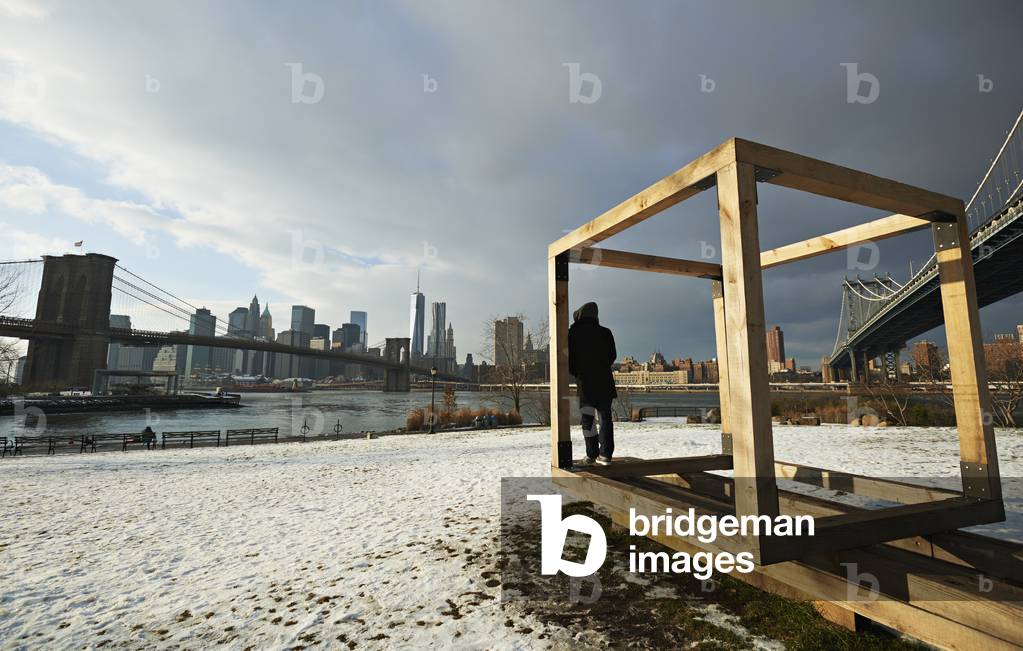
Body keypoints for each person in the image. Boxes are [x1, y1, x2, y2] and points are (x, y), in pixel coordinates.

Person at [568, 301, 617, 466]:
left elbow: (570, 360)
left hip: (585, 383)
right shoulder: (606, 332)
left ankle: (591, 454)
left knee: (587, 419)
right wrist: (602, 367)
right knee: (605, 417)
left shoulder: (573, 333)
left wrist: (578, 373)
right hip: (604, 381)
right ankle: (606, 455)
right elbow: (612, 356)